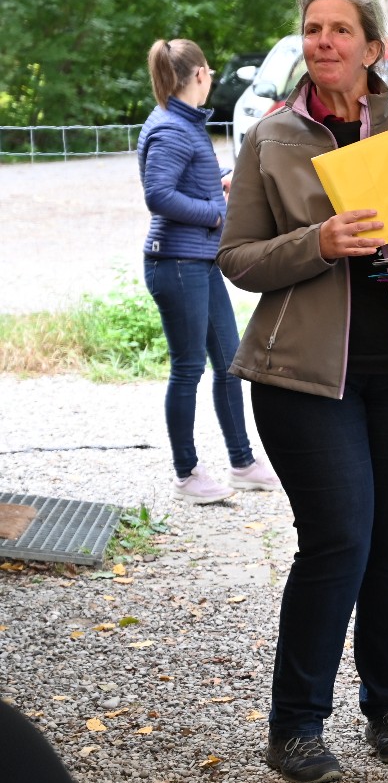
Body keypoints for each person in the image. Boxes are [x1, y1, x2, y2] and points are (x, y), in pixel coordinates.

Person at [218, 0, 388, 783]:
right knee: (340, 540)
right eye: (313, 29)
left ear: (371, 48)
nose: (324, 41)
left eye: (340, 29)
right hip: (304, 382)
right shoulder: (271, 137)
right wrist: (319, 242)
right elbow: (237, 258)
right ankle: (296, 725)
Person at [137, 38, 281, 504]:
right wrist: (216, 214)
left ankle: (243, 463)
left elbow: (187, 179)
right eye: (210, 72)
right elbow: (158, 194)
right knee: (188, 369)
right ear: (199, 74)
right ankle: (186, 474)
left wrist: (221, 180)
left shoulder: (184, 121)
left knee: (229, 362)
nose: (212, 78)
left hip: (199, 261)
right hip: (176, 264)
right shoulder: (170, 128)